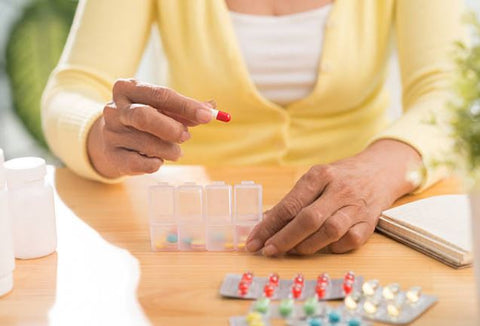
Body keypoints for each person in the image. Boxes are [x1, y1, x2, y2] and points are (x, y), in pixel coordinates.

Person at [41, 0, 463, 256]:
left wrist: (380, 170)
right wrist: (100, 133)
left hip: (363, 222)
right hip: (204, 233)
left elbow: (451, 91)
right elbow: (71, 90)